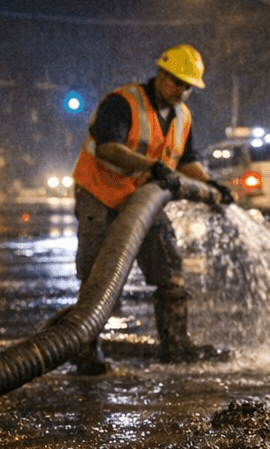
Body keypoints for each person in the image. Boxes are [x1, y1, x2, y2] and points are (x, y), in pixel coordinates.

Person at [69, 43, 233, 374]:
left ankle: (177, 346)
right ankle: (87, 353)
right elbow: (108, 148)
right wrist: (153, 166)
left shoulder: (183, 116)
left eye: (188, 86)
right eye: (176, 82)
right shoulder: (123, 102)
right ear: (160, 74)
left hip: (143, 199)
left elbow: (187, 162)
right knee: (98, 280)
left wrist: (212, 186)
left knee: (169, 270)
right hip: (100, 195)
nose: (181, 91)